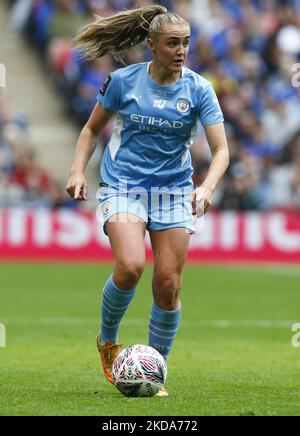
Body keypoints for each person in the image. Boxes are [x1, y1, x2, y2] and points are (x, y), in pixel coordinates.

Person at [66, 4, 229, 397]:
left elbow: (221, 150)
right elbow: (90, 130)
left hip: (173, 192)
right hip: (123, 185)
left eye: (186, 43)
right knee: (130, 267)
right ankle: (108, 342)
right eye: (173, 43)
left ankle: (153, 368)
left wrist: (205, 188)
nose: (181, 50)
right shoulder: (122, 81)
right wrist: (76, 170)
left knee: (169, 283)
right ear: (152, 45)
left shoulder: (199, 89)